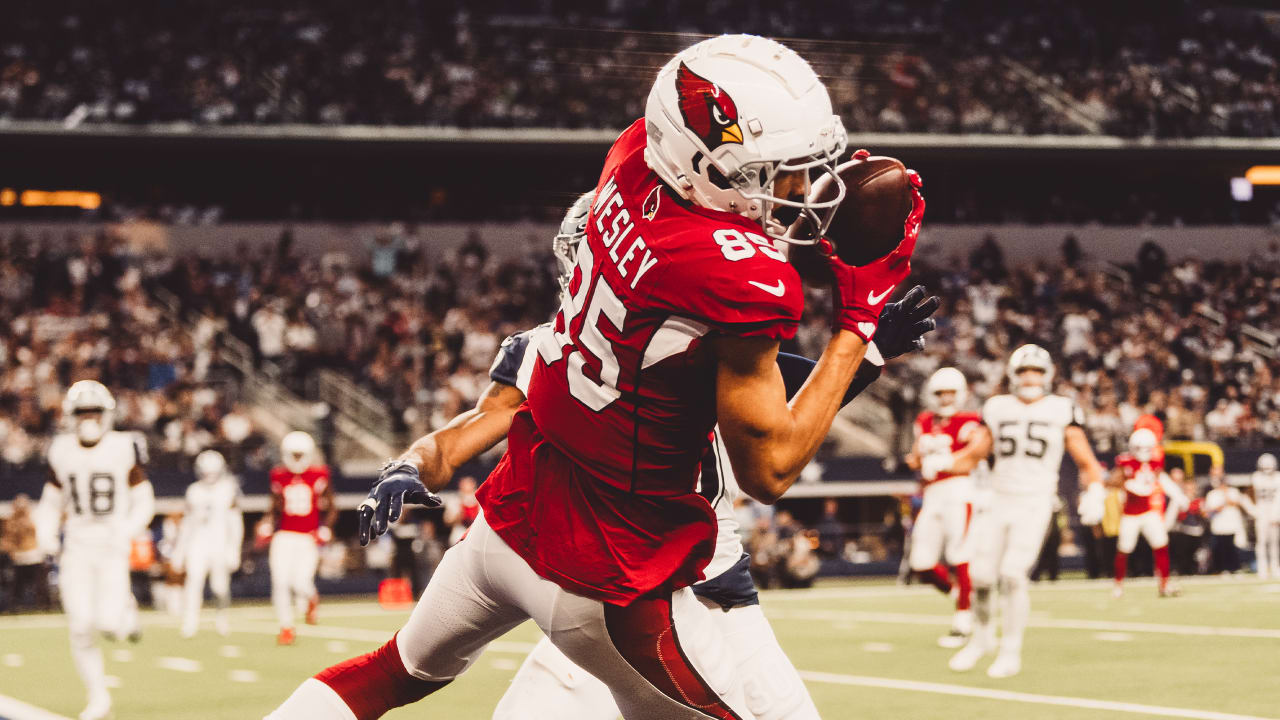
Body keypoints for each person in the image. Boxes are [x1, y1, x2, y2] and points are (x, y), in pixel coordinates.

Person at [266, 33, 927, 720]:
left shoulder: (635, 160)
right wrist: (859, 322)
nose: (795, 190)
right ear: (701, 164)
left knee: (390, 673)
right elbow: (770, 470)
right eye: (772, 171)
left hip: (511, 519)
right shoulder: (736, 275)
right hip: (613, 573)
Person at [949, 344, 1104, 679]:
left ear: (1047, 375)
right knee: (980, 577)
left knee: (1013, 575)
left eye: (1035, 370)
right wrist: (943, 463)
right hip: (997, 498)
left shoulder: (1062, 408)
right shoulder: (997, 406)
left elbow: (1086, 460)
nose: (1030, 377)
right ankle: (982, 639)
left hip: (1034, 501)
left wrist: (1095, 488)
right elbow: (976, 453)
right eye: (1023, 371)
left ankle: (1011, 650)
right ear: (1013, 375)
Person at [35, 381, 154, 720]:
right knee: (79, 624)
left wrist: (128, 529)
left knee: (108, 624)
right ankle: (98, 696)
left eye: (94, 411)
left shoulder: (123, 446)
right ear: (71, 417)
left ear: (107, 414)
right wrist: (47, 532)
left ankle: (126, 613)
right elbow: (51, 500)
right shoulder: (60, 449)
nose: (89, 418)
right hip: (76, 544)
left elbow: (143, 498)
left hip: (112, 542)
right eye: (82, 412)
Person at [903, 367, 990, 647]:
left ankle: (963, 620)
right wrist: (915, 462)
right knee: (921, 562)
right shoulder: (925, 420)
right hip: (931, 493)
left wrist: (948, 462)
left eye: (951, 392)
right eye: (940, 392)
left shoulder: (970, 420)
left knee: (959, 554)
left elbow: (977, 451)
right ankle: (960, 596)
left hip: (958, 490)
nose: (945, 398)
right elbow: (917, 457)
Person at [261, 430, 336, 645]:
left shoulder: (320, 475)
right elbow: (275, 506)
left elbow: (332, 507)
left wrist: (326, 528)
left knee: (301, 581)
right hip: (283, 535)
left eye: (299, 454)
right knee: (280, 581)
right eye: (292, 454)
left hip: (307, 537)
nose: (295, 459)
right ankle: (286, 627)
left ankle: (311, 598)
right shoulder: (278, 475)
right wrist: (266, 524)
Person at [174, 449, 244, 638]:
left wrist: (234, 549)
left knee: (219, 587)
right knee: (193, 582)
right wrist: (180, 551)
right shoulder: (194, 491)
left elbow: (235, 522)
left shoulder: (228, 490)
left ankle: (222, 617)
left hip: (219, 543)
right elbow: (187, 523)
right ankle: (190, 622)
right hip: (198, 543)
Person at [1110, 428, 1187, 597]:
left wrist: (1178, 496)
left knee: (1161, 544)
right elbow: (1113, 481)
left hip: (1148, 512)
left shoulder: (1154, 463)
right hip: (1130, 514)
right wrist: (1125, 484)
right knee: (1124, 549)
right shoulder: (1125, 462)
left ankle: (1164, 584)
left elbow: (1162, 480)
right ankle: (1118, 584)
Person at [1, 494, 51, 611]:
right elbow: (8, 540)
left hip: (34, 557)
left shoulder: (35, 518)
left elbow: (41, 535)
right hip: (19, 559)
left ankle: (44, 606)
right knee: (17, 587)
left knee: (40, 586)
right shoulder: (10, 521)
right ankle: (15, 607)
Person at [1204, 469, 1254, 574]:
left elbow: (1237, 503)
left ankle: (1235, 568)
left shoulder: (1233, 491)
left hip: (1232, 526)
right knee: (1221, 549)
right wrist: (1220, 506)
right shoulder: (1212, 494)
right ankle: (1222, 569)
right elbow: (1209, 511)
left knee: (1234, 549)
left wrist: (1226, 496)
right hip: (1219, 527)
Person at [1251, 453, 1280, 579]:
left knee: (1274, 542)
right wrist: (1255, 512)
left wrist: (1276, 515)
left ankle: (1275, 567)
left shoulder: (1278, 478)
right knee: (1261, 542)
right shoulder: (1256, 477)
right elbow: (1253, 495)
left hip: (1274, 513)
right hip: (1262, 512)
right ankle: (1262, 568)